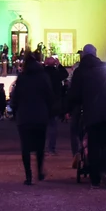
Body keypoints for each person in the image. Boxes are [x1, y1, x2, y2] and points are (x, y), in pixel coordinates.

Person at [68, 44, 106, 189]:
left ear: (83, 55)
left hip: (91, 112)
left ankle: (95, 178)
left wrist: (72, 108)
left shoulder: (80, 71)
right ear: (95, 54)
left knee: (94, 144)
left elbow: (75, 95)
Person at [10, 53, 54, 185]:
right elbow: (49, 96)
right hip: (40, 116)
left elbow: (15, 97)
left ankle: (28, 176)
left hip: (24, 117)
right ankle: (39, 171)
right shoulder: (43, 77)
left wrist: (15, 110)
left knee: (26, 147)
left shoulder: (22, 78)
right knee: (40, 146)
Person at [43, 57, 68, 156]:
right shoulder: (57, 73)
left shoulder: (43, 73)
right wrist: (59, 65)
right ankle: (51, 148)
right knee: (53, 126)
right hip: (55, 103)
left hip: (44, 103)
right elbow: (65, 74)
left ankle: (42, 147)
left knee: (43, 127)